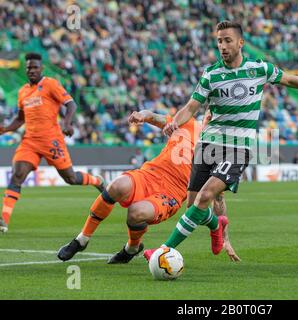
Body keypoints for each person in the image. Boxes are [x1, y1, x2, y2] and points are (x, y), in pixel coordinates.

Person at [143, 20, 298, 260]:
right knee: (193, 205)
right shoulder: (211, 74)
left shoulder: (259, 69)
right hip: (209, 144)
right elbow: (191, 106)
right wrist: (175, 121)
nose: (223, 46)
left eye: (227, 40)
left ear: (241, 43)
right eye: (219, 41)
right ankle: (216, 226)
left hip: (238, 147)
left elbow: (289, 80)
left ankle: (164, 250)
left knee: (206, 196)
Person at [57, 109, 240, 263]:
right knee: (115, 186)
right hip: (148, 175)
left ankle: (131, 248)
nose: (212, 118)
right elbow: (155, 117)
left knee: (136, 213)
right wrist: (142, 115)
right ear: (206, 113)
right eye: (211, 113)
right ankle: (82, 240)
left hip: (170, 194)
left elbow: (218, 199)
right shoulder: (187, 122)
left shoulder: (218, 150)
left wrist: (226, 239)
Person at [0, 53, 105, 233]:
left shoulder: (50, 84)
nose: (31, 70)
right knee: (17, 175)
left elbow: (71, 104)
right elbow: (20, 119)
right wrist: (5, 129)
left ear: (41, 69)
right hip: (30, 141)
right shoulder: (23, 91)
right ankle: (4, 221)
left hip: (51, 140)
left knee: (70, 178)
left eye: (34, 67)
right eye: (28, 68)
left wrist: (67, 123)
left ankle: (97, 180)